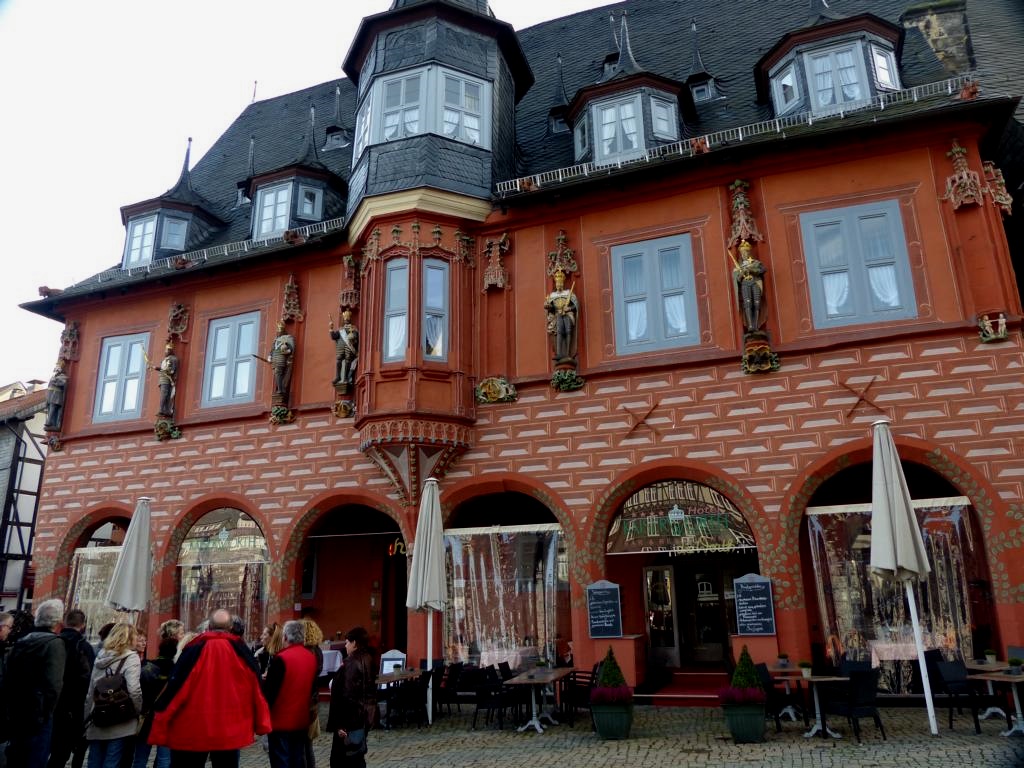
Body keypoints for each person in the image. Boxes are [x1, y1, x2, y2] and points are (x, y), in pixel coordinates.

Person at [148, 608, 271, 768]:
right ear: (230, 627)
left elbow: (177, 690)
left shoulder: (193, 649)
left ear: (209, 626)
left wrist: (161, 722)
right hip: (230, 730)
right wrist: (262, 723)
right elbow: (257, 690)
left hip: (193, 729)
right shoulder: (242, 651)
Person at [4, 598, 65, 768]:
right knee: (36, 759)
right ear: (58, 622)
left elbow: (8, 676)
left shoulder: (22, 641)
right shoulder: (54, 644)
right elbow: (54, 684)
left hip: (18, 709)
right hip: (39, 712)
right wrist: (47, 712)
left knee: (17, 757)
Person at [84, 623, 142, 768]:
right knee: (112, 760)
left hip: (99, 715)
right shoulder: (131, 658)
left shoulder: (100, 657)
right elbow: (134, 689)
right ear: (129, 638)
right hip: (121, 717)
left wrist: (86, 717)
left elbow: (91, 691)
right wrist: (137, 711)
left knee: (94, 760)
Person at [263, 621, 317, 768]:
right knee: (297, 760)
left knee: (281, 761)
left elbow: (270, 693)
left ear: (285, 637)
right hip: (301, 719)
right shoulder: (311, 657)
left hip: (280, 721)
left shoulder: (281, 658)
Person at [47, 608, 95, 768]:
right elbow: (88, 680)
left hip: (49, 703)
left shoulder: (53, 642)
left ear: (64, 622)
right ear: (83, 625)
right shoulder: (84, 647)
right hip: (72, 706)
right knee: (61, 753)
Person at [326, 627, 374, 768]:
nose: (345, 645)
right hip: (362, 718)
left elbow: (348, 695)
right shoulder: (367, 658)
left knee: (343, 760)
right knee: (357, 757)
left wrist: (341, 724)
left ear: (354, 643)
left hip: (350, 721)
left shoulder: (351, 663)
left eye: (347, 642)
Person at [132, 633, 177, 768]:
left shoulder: (147, 667)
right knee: (164, 759)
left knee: (140, 759)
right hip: (166, 718)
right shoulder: (176, 670)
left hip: (146, 716)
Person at [543, 269, 578, 364]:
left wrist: (569, 308)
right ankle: (559, 353)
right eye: (557, 283)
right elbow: (551, 308)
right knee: (559, 331)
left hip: (568, 314)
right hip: (558, 314)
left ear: (562, 283)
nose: (559, 285)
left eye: (560, 283)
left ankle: (568, 353)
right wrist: (549, 306)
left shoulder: (568, 293)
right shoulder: (552, 295)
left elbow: (575, 306)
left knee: (568, 331)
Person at [732, 239, 766, 333]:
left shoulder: (755, 262)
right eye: (742, 253)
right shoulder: (739, 266)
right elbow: (737, 279)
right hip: (745, 284)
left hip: (755, 282)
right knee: (747, 303)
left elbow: (762, 269)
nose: (744, 254)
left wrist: (752, 270)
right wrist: (741, 274)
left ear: (749, 252)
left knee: (757, 302)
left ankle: (756, 324)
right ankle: (750, 325)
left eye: (746, 252)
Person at [329, 310, 358, 388]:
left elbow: (356, 339)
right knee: (338, 360)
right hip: (340, 346)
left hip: (348, 347)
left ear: (349, 319)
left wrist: (353, 337)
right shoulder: (340, 329)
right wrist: (331, 328)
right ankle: (338, 376)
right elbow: (334, 337)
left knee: (348, 361)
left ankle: (345, 377)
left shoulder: (353, 328)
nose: (346, 320)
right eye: (345, 319)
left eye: (347, 318)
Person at [271, 322, 295, 404]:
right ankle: (280, 388)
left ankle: (281, 389)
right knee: (276, 373)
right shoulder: (276, 339)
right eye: (278, 330)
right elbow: (272, 349)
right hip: (275, 358)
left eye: (280, 329)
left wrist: (288, 351)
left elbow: (291, 347)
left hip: (281, 358)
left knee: (278, 373)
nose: (279, 331)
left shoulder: (287, 338)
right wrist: (270, 356)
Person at [154, 343, 178, 418]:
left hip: (167, 379)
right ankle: (165, 410)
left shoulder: (173, 359)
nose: (165, 352)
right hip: (162, 379)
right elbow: (163, 369)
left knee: (165, 394)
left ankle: (162, 410)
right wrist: (155, 367)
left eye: (166, 350)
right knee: (164, 394)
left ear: (170, 350)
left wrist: (157, 368)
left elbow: (171, 370)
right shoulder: (165, 359)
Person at [44, 363, 68, 431]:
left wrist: (56, 382)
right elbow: (49, 386)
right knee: (50, 407)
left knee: (53, 407)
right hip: (50, 394)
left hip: (56, 394)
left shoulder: (62, 376)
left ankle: (49, 422)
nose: (56, 369)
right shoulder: (53, 376)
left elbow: (63, 383)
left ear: (60, 369)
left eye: (58, 368)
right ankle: (51, 422)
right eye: (56, 368)